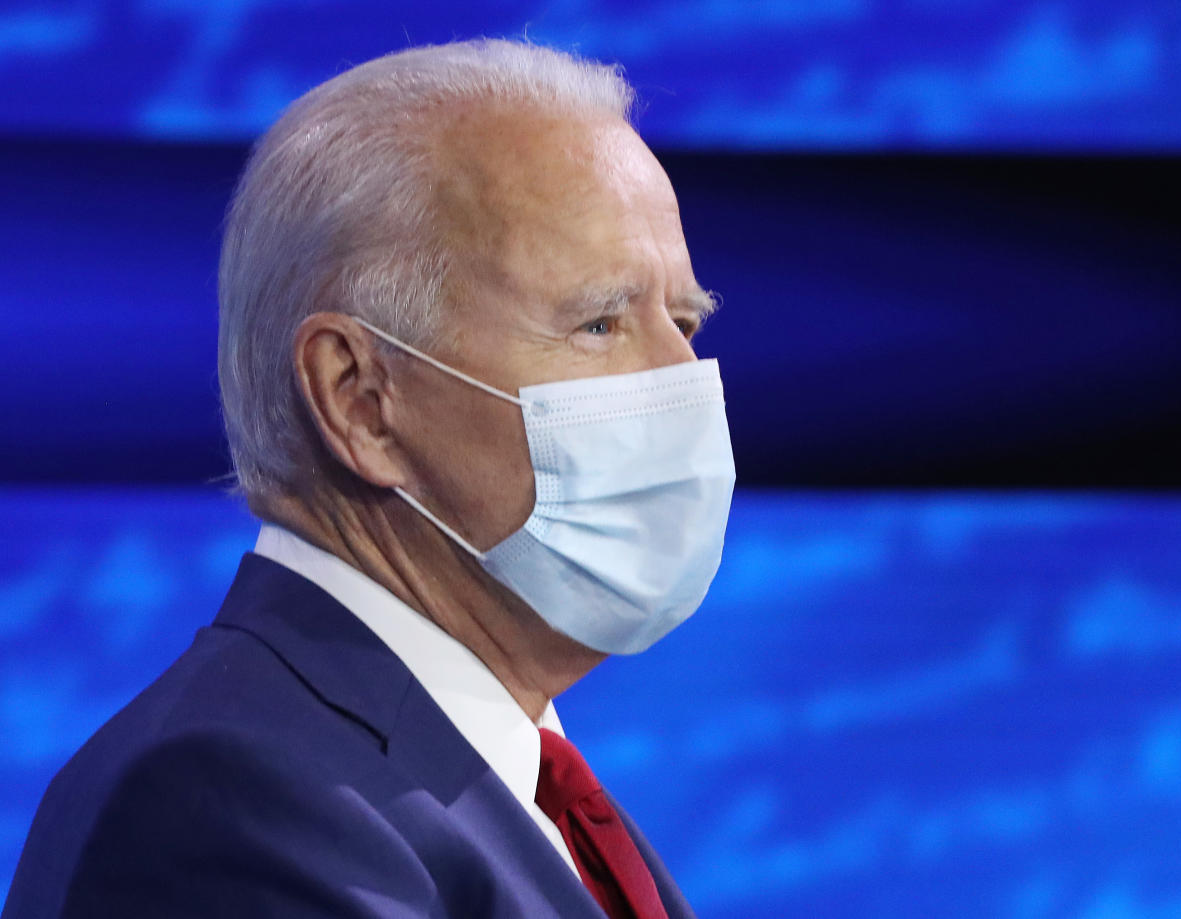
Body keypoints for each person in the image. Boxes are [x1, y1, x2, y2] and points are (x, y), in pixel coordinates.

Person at [2, 38, 734, 919]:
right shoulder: (230, 802)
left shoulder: (526, 789)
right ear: (360, 398)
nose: (679, 376)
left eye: (684, 317)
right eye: (599, 322)